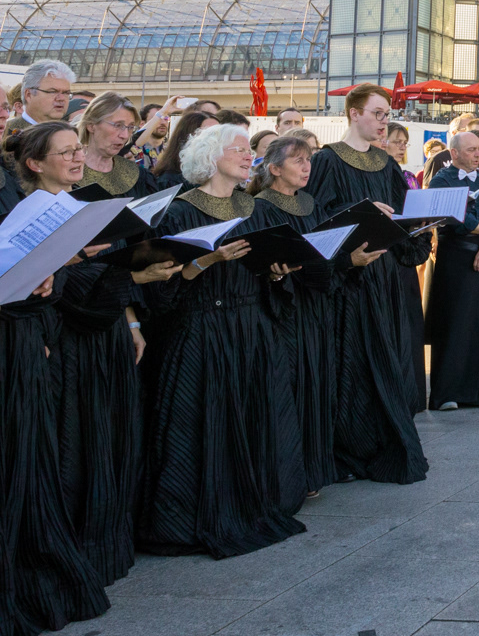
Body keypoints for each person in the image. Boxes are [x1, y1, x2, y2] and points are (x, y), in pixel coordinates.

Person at [10, 123, 172, 589]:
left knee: (105, 440)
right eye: (65, 152)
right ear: (35, 164)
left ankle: (102, 548)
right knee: (72, 447)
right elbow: (56, 290)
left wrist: (131, 319)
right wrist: (118, 276)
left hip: (105, 337)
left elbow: (101, 269)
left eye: (78, 149)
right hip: (66, 344)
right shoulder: (31, 213)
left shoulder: (83, 206)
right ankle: (75, 550)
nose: (77, 158)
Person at [137, 124, 307, 557]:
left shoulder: (256, 207)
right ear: (211, 157)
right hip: (200, 330)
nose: (246, 154)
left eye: (247, 149)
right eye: (237, 149)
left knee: (259, 413)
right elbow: (159, 288)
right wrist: (207, 261)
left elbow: (270, 264)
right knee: (199, 421)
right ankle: (191, 519)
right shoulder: (178, 211)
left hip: (251, 326)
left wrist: (276, 272)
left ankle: (258, 500)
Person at [305, 84, 428, 484]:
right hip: (350, 277)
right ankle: (348, 448)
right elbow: (316, 218)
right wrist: (358, 213)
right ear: (354, 113)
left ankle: (381, 442)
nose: (383, 122)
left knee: (385, 355)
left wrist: (424, 222)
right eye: (377, 113)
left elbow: (404, 212)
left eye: (387, 114)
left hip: (385, 276)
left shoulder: (385, 163)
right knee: (352, 360)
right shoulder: (325, 161)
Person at [0, 230, 109, 635]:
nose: (75, 159)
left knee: (24, 464)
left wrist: (41, 277)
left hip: (19, 340)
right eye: (64, 157)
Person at [247, 134, 338, 497]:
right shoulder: (260, 207)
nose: (307, 167)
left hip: (314, 306)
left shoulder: (310, 203)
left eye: (309, 160)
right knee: (290, 386)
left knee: (316, 385)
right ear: (274, 169)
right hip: (283, 310)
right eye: (298, 161)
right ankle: (289, 474)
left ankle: (313, 471)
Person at [425, 132, 479, 409]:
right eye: (473, 149)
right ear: (454, 154)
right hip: (455, 260)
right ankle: (448, 392)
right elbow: (457, 219)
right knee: (456, 324)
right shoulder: (441, 180)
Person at [150, 110, 218, 192]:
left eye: (220, 133)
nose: (217, 139)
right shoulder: (171, 181)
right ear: (189, 137)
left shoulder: (218, 173)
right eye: (210, 133)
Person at [18, 58, 76, 125]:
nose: (61, 98)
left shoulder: (71, 134)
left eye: (66, 93)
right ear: (29, 95)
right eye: (53, 92)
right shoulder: (6, 132)